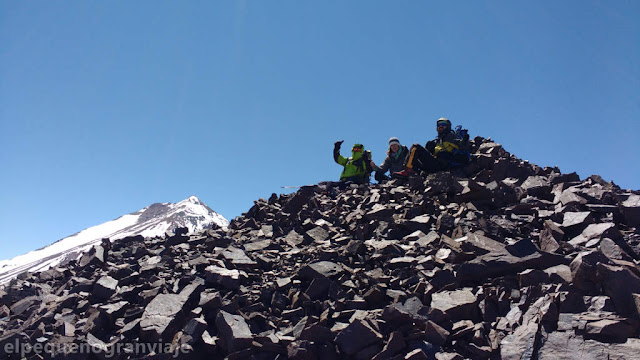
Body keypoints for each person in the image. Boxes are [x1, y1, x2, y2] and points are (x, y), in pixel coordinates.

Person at [394, 117, 469, 177]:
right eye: (438, 125)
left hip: (441, 165)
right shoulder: (438, 140)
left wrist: (464, 141)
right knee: (415, 156)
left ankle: (407, 170)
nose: (440, 126)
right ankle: (412, 173)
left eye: (443, 124)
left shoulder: (449, 136)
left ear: (448, 126)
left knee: (415, 147)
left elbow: (460, 145)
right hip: (435, 165)